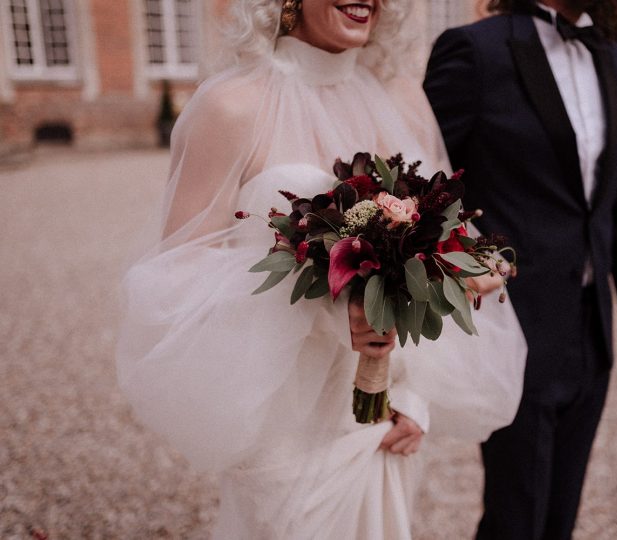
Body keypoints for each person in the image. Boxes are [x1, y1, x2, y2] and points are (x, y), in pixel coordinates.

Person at [115, 1, 526, 538]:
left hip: (385, 419)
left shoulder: (403, 100)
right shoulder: (231, 106)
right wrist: (326, 308)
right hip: (285, 425)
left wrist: (412, 395)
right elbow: (173, 285)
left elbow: (440, 252)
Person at [423, 0, 617, 538]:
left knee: (560, 518)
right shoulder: (475, 52)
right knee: (516, 519)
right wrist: (460, 268)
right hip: (513, 325)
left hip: (591, 331)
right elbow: (422, 187)